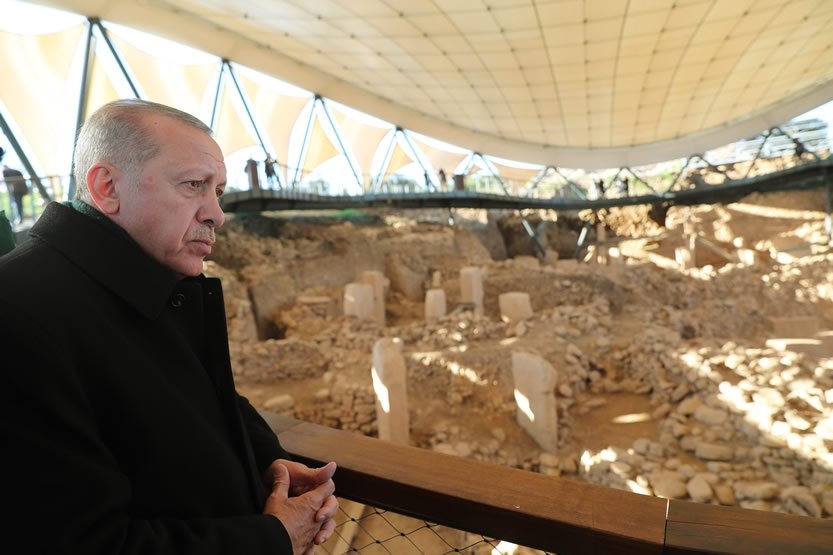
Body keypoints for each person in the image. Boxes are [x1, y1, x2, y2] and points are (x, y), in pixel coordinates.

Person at [0, 99, 338, 554]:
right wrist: (271, 539)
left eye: (217, 190)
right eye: (194, 185)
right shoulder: (19, 314)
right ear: (107, 187)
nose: (216, 214)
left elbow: (199, 395)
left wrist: (265, 460)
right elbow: (79, 542)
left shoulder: (145, 280)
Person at [0, 146, 28, 224]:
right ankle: (20, 217)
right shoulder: (16, 171)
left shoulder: (5, 172)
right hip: (21, 189)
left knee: (16, 204)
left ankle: (18, 218)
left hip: (15, 190)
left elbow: (7, 182)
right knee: (19, 204)